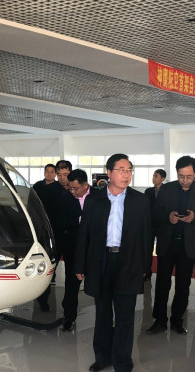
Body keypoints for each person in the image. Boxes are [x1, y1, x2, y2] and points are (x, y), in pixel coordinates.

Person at [75, 154, 152, 372]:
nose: (126, 174)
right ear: (109, 173)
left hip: (129, 262)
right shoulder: (94, 200)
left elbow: (147, 236)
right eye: (121, 170)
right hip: (101, 262)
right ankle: (102, 357)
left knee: (125, 315)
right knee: (102, 314)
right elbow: (84, 233)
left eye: (129, 170)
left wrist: (145, 267)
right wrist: (80, 265)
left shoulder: (140, 201)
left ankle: (122, 362)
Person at [147, 156, 195, 335]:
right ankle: (159, 320)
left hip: (188, 245)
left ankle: (177, 320)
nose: (185, 180)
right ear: (176, 173)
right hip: (168, 243)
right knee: (162, 283)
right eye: (181, 176)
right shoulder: (167, 189)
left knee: (183, 285)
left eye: (189, 176)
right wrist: (168, 217)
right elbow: (156, 214)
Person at [59, 169, 96, 331]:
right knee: (72, 282)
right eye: (70, 188)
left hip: (94, 246)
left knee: (100, 282)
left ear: (85, 185)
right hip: (73, 246)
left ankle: (105, 318)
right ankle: (69, 317)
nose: (72, 192)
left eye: (75, 188)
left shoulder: (99, 196)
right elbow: (62, 221)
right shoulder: (65, 197)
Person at [37, 159, 73, 311]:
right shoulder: (49, 190)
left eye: (65, 174)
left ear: (70, 173)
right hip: (54, 236)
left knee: (72, 275)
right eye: (59, 175)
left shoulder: (76, 189)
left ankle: (69, 308)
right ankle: (42, 300)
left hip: (72, 237)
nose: (62, 178)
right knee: (49, 269)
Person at [143, 168, 166, 281]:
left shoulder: (167, 191)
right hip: (150, 224)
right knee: (148, 248)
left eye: (156, 176)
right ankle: (147, 272)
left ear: (162, 178)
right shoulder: (148, 191)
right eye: (153, 176)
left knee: (161, 250)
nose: (154, 178)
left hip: (162, 225)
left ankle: (162, 273)